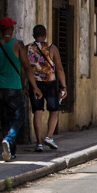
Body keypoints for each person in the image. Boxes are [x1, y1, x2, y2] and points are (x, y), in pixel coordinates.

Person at [0, 17, 31, 161]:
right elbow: (26, 66)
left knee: (5, 118)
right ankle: (9, 138)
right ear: (11, 30)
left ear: (0, 29)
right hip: (14, 87)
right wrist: (33, 86)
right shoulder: (17, 45)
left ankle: (10, 152)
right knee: (18, 117)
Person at [27, 24, 67, 152]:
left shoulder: (28, 48)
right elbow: (59, 68)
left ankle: (38, 142)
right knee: (54, 110)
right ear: (45, 35)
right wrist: (64, 86)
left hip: (35, 84)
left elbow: (25, 68)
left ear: (33, 35)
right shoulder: (52, 48)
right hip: (50, 83)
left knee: (37, 112)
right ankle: (49, 136)